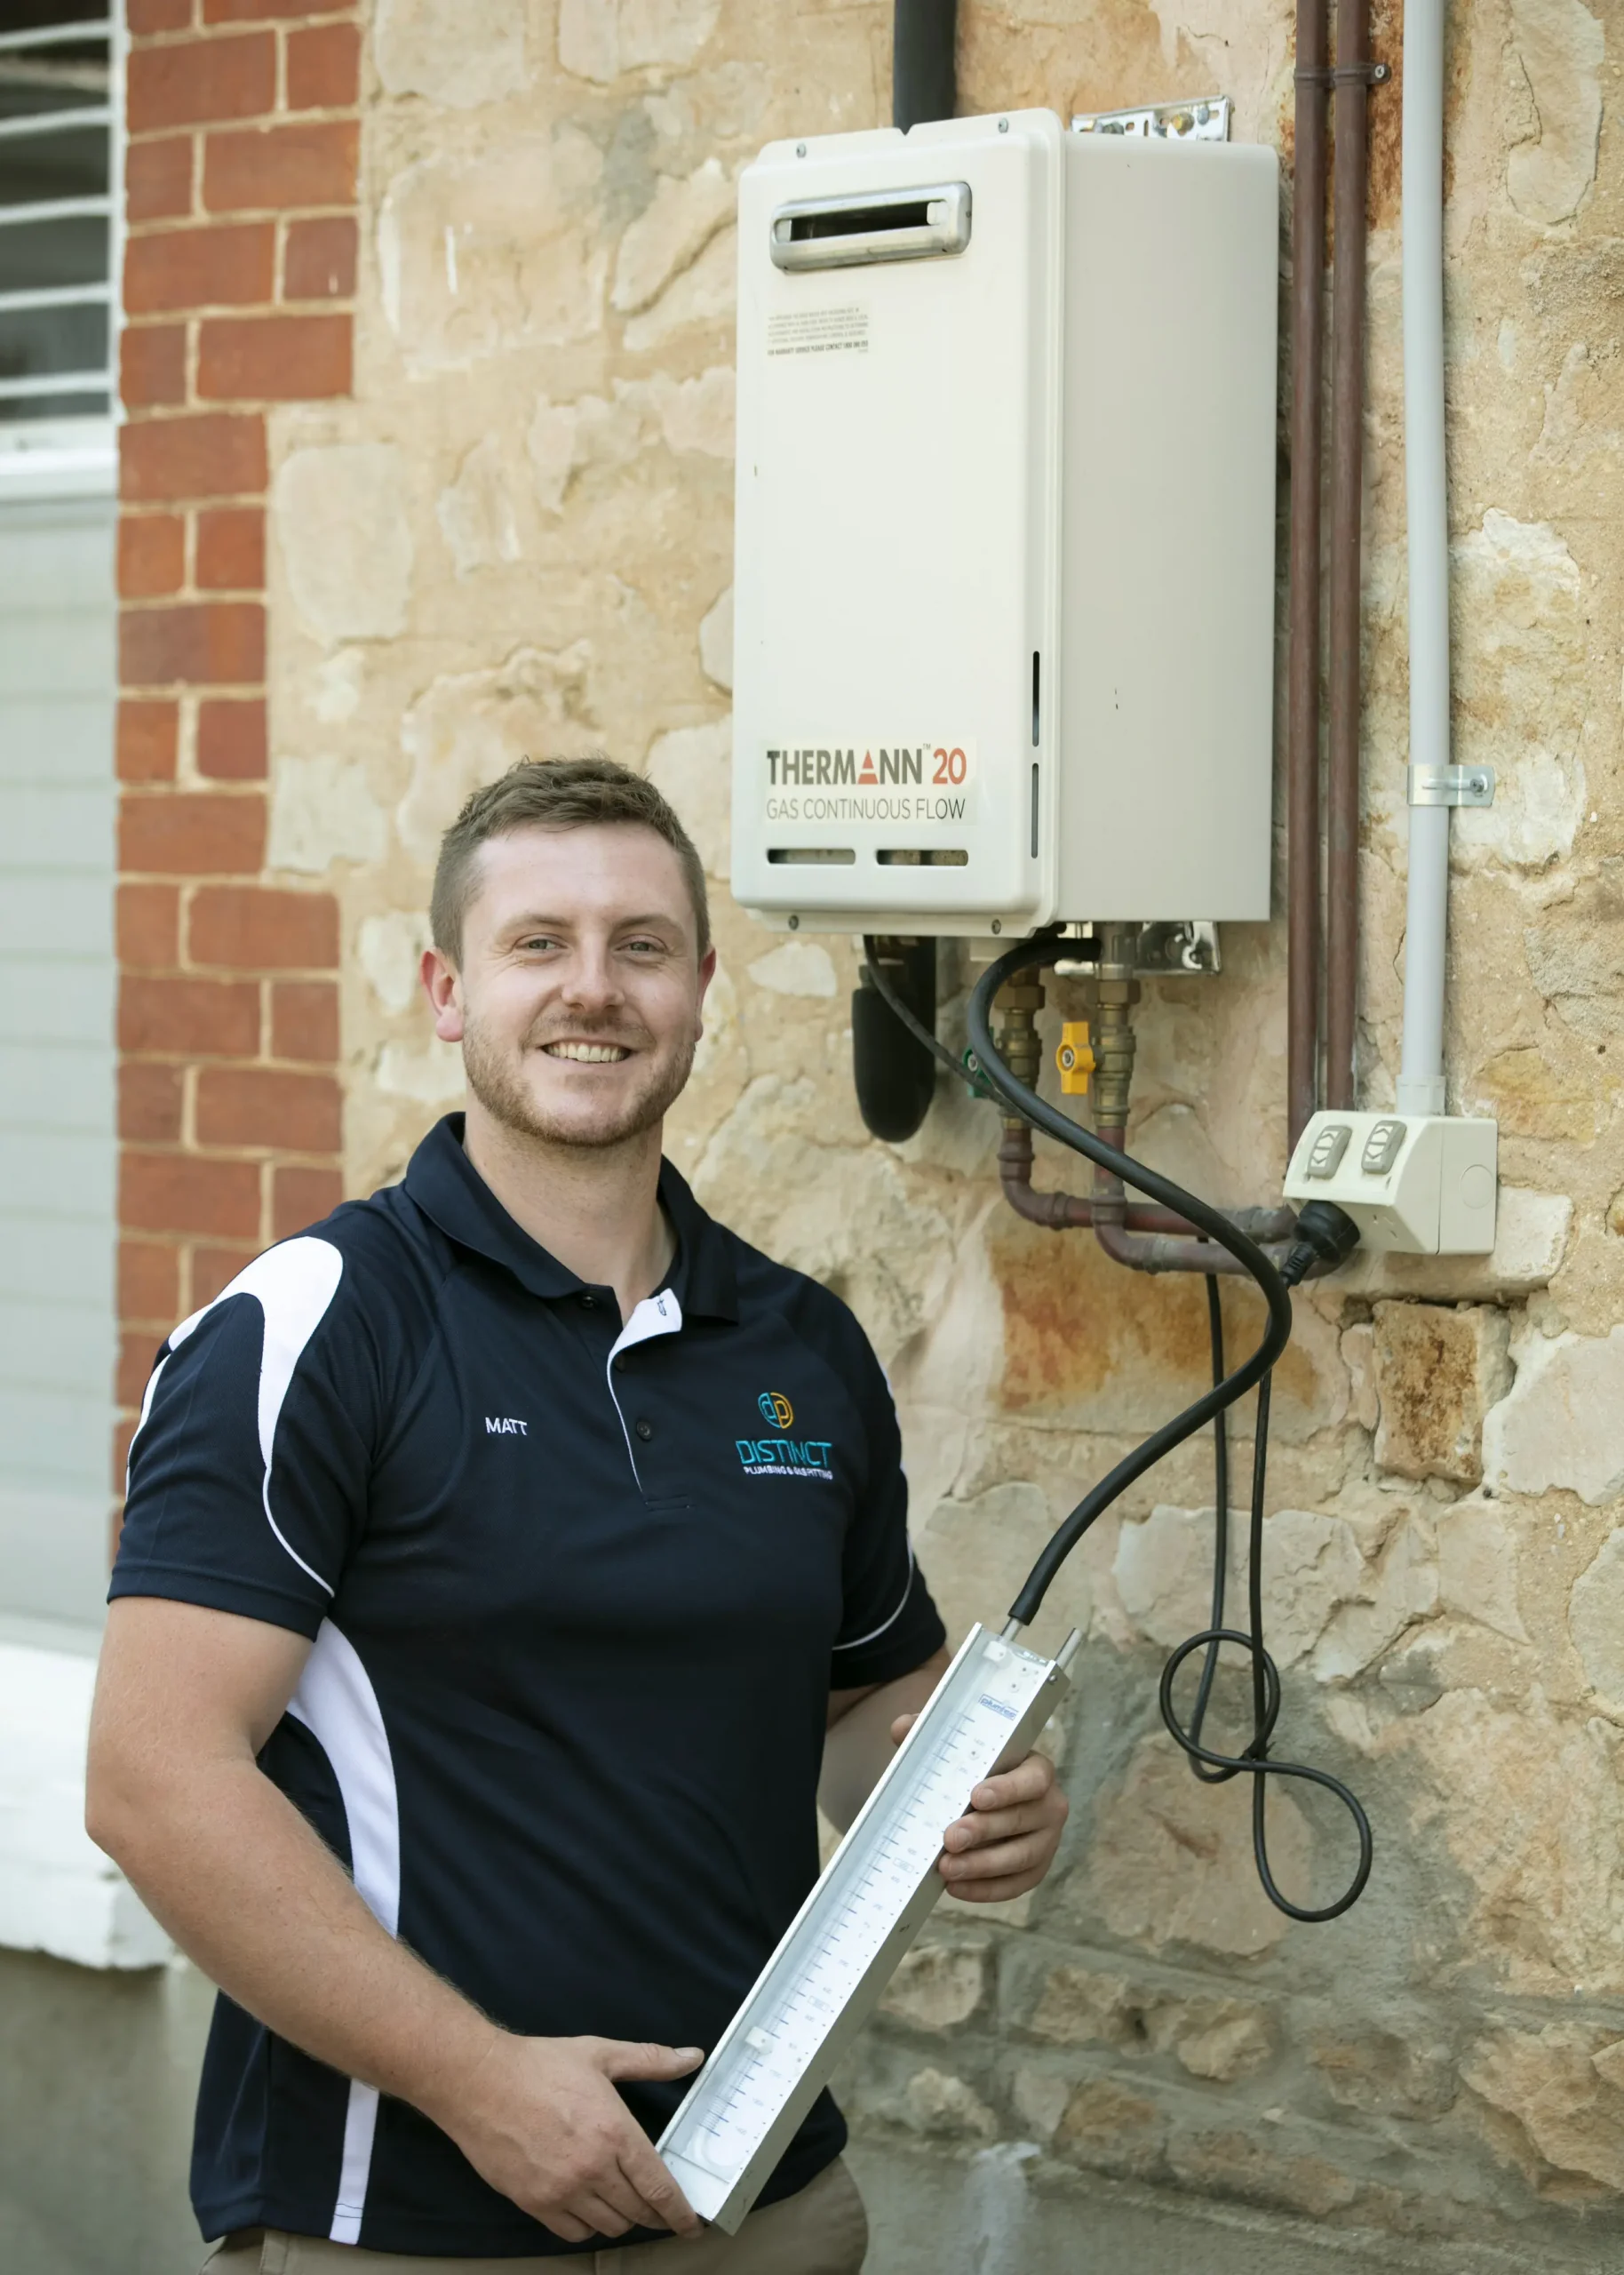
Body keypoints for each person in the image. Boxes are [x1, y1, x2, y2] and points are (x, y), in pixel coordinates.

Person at [87, 758, 1068, 2273]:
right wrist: (481, 2085)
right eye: (538, 942)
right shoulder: (319, 1326)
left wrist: (960, 1793)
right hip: (411, 2212)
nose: (592, 990)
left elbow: (862, 1696)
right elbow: (156, 1781)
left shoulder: (797, 1345)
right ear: (447, 990)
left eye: (642, 946)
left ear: (699, 992)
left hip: (758, 2200)